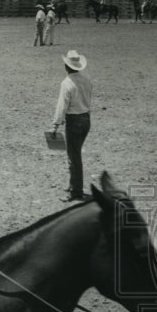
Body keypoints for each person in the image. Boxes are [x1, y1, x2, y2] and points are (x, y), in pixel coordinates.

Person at [50, 50, 93, 202]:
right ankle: (72, 184)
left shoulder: (66, 83)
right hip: (86, 118)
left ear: (66, 66)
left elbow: (62, 106)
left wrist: (55, 125)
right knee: (75, 154)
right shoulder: (87, 80)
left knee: (73, 157)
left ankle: (76, 191)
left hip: (74, 120)